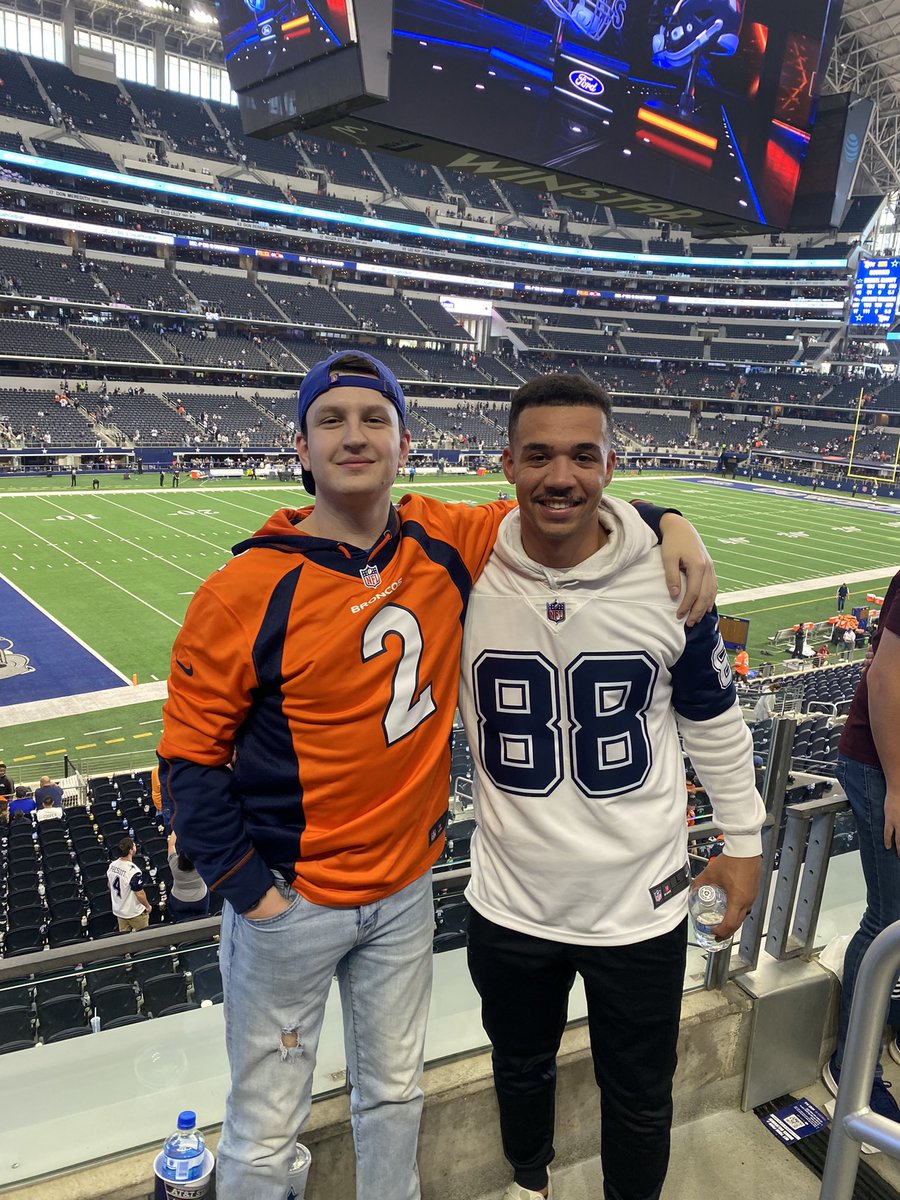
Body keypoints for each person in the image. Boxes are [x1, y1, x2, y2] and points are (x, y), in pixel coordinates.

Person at [157, 350, 717, 1200]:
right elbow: (187, 762)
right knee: (265, 1127)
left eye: (373, 418)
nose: (355, 436)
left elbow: (564, 496)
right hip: (294, 898)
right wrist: (254, 894)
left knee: (395, 1097)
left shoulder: (443, 535)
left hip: (405, 894)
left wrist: (673, 518)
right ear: (300, 447)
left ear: (404, 442)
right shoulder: (244, 588)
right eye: (332, 421)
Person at [458, 374, 765, 1200]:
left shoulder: (669, 579)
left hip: (641, 902)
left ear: (611, 463)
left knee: (640, 1097)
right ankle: (531, 1185)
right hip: (512, 898)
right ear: (506, 465)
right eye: (539, 455)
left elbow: (712, 720)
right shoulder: (459, 573)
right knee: (519, 1069)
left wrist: (744, 842)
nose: (561, 476)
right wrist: (672, 515)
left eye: (583, 455)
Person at [823, 568, 900, 1123]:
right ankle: (852, 1065)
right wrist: (897, 783)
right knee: (890, 917)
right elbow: (885, 681)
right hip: (882, 767)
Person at [107, 836, 152, 932]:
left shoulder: (112, 865)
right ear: (131, 850)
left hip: (119, 911)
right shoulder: (133, 871)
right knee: (145, 939)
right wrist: (147, 906)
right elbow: (139, 893)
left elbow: (109, 884)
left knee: (124, 941)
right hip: (134, 913)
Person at [166, 831, 210, 922]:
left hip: (179, 900)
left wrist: (176, 828)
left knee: (182, 925)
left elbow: (171, 844)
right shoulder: (201, 863)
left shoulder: (174, 862)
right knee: (202, 922)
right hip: (200, 899)